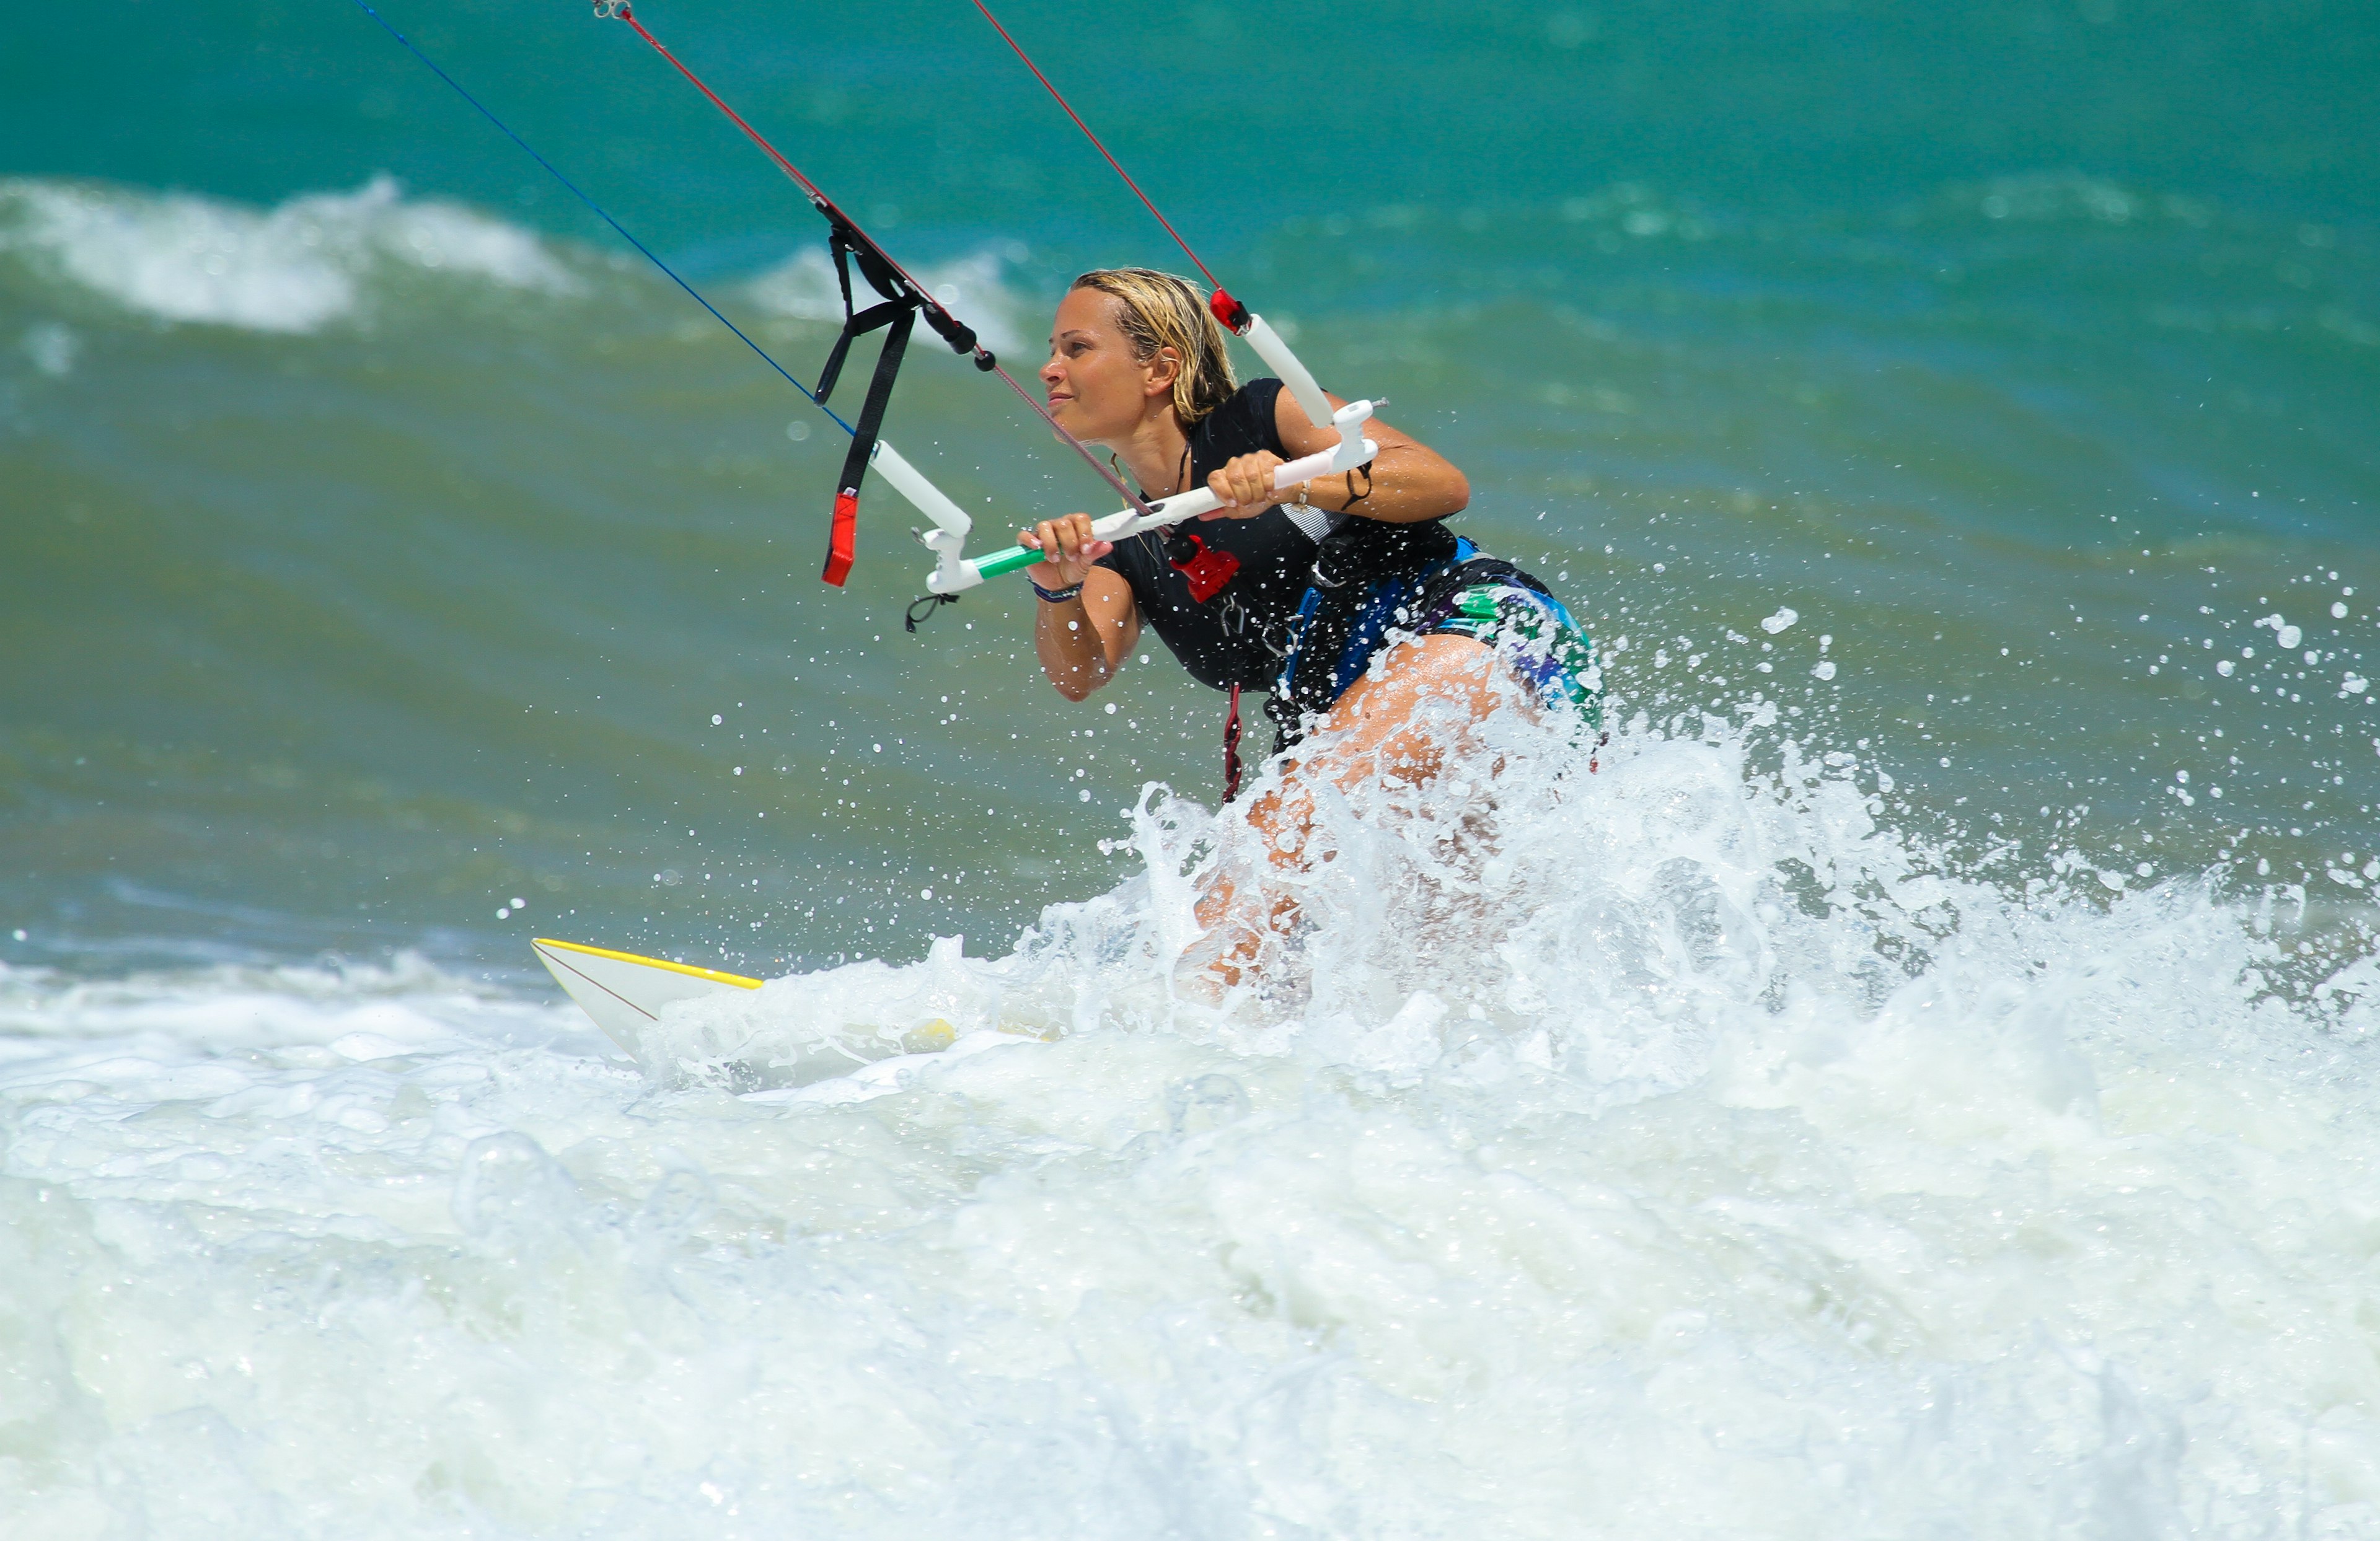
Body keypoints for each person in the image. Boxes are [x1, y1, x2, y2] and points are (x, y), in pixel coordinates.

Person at [1018, 268, 1601, 979]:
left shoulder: (1266, 416)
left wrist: (1293, 483)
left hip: (1480, 642)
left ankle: (1131, 1057)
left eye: (1076, 348)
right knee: (1429, 983)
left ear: (1158, 368)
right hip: (1371, 728)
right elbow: (1080, 673)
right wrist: (1057, 590)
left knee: (1247, 885)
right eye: (1053, 349)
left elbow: (1439, 482)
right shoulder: (1130, 543)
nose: (1049, 367)